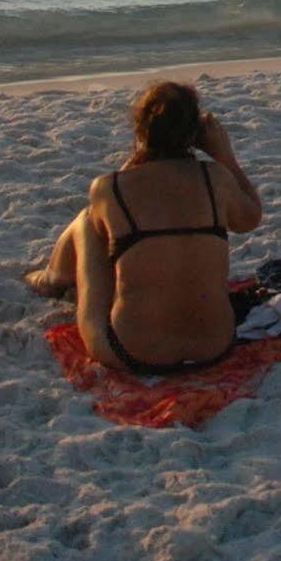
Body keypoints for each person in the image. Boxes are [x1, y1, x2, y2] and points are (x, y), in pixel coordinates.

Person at [25, 82, 262, 375]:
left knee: (88, 221)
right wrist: (226, 157)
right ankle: (55, 276)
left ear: (140, 130)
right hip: (215, 348)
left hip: (130, 352)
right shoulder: (216, 177)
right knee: (121, 230)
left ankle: (52, 277)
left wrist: (141, 150)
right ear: (195, 135)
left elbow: (125, 197)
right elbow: (251, 218)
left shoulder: (110, 187)